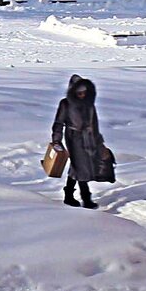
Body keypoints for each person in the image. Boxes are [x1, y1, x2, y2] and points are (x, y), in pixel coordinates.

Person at [51, 74, 108, 209]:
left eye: (84, 92)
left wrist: (99, 143)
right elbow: (59, 123)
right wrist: (56, 141)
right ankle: (86, 198)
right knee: (81, 167)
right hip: (73, 138)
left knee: (78, 167)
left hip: (89, 139)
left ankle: (69, 195)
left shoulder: (89, 105)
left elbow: (94, 125)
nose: (82, 95)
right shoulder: (65, 104)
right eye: (79, 92)